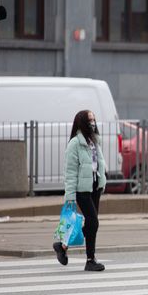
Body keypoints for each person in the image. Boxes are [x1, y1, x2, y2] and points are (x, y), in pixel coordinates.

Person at [54, 110, 107, 271]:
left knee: (92, 225)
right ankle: (88, 258)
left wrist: (102, 181)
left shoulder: (94, 141)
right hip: (81, 190)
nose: (93, 122)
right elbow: (70, 172)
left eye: (94, 119)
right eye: (90, 120)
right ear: (82, 122)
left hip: (95, 186)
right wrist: (69, 196)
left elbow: (98, 163)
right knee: (93, 222)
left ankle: (65, 248)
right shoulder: (75, 144)